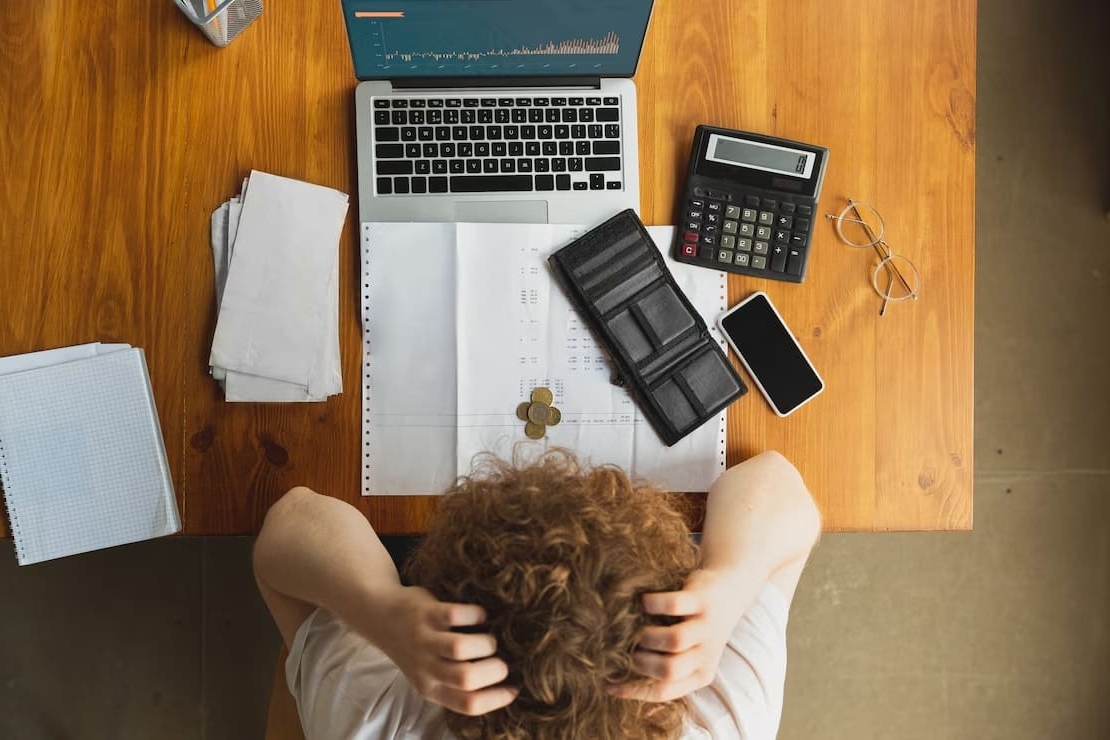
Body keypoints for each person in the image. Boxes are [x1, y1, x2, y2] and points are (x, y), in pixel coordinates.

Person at [253, 449, 820, 739]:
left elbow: (290, 524)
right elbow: (774, 482)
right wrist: (730, 582)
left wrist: (376, 605)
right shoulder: (717, 721)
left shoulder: (376, 721)